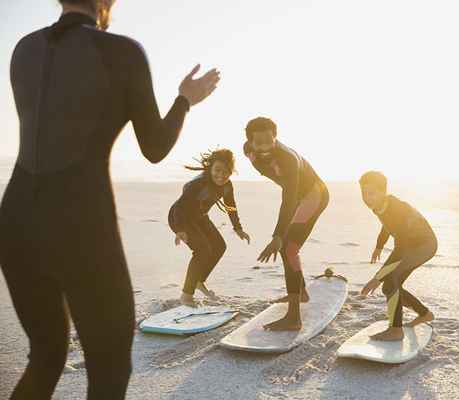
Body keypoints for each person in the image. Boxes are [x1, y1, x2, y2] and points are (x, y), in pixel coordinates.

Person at [0, 0, 220, 398]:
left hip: (15, 219)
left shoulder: (24, 48)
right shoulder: (122, 52)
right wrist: (184, 100)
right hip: (81, 221)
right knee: (110, 367)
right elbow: (154, 147)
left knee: (46, 355)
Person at [243, 117, 329, 331]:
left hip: (313, 195)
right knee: (287, 248)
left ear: (275, 137)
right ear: (250, 142)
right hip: (297, 197)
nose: (263, 146)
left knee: (289, 247)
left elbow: (289, 199)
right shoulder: (248, 151)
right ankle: (301, 293)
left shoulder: (288, 159)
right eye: (258, 141)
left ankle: (294, 318)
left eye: (268, 140)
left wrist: (277, 236)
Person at [359, 171, 436, 341]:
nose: (367, 197)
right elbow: (386, 225)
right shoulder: (380, 206)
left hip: (424, 246)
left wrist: (377, 277)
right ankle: (424, 314)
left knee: (390, 281)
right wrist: (379, 245)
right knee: (391, 285)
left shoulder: (397, 208)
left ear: (383, 191)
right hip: (410, 246)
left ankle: (396, 330)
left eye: (371, 193)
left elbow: (400, 250)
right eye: (364, 193)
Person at [168, 149, 250, 306]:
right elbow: (180, 207)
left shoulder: (227, 186)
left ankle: (198, 280)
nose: (221, 175)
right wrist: (180, 229)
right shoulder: (198, 184)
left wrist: (238, 228)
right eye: (217, 170)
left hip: (200, 217)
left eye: (226, 172)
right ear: (210, 168)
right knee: (202, 250)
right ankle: (186, 295)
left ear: (231, 172)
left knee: (219, 246)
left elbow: (230, 206)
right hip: (180, 219)